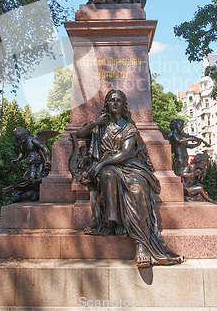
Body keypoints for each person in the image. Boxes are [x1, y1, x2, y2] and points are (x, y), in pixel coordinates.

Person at [75, 90, 184, 268]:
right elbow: (79, 135)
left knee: (137, 189)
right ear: (107, 104)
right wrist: (95, 122)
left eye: (118, 100)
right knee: (109, 175)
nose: (115, 103)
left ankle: (141, 244)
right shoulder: (100, 125)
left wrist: (101, 164)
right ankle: (114, 222)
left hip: (130, 164)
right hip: (109, 166)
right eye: (111, 100)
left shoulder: (129, 126)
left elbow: (126, 153)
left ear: (123, 104)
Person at [3, 128, 56, 203]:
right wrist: (18, 159)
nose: (19, 141)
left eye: (20, 139)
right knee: (28, 178)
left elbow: (45, 149)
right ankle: (22, 195)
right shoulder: (22, 143)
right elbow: (22, 152)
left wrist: (47, 161)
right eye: (17, 140)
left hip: (39, 162)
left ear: (25, 135)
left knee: (36, 177)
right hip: (32, 163)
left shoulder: (32, 140)